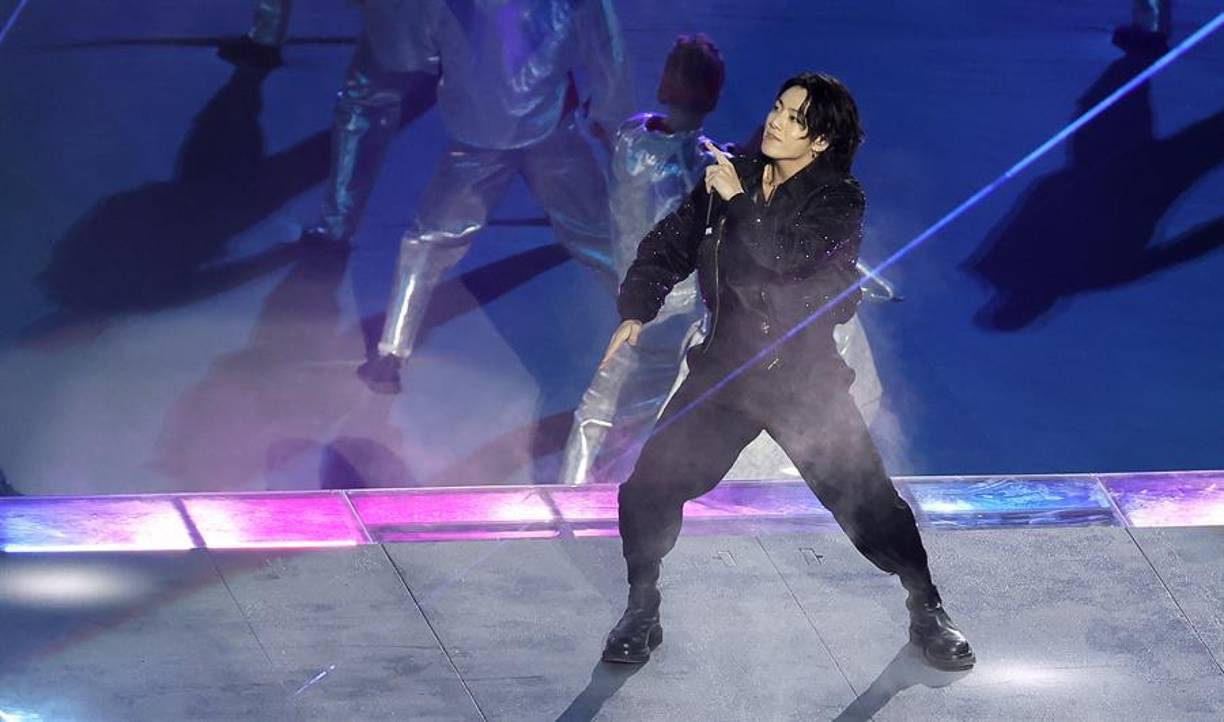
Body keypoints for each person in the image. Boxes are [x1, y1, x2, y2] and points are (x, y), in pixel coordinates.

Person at [599, 73, 974, 671]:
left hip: (802, 384)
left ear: (821, 141)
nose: (777, 121)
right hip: (724, 377)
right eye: (778, 107)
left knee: (870, 506)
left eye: (796, 118)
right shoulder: (736, 173)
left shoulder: (838, 200)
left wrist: (736, 203)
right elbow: (671, 242)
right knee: (649, 489)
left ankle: (926, 606)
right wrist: (637, 308)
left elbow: (786, 260)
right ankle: (641, 608)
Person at [357, 0, 634, 393]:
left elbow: (413, 47)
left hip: (479, 131)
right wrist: (611, 116)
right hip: (550, 127)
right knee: (596, 234)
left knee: (429, 239)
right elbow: (606, 46)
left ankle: (392, 351)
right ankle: (650, 318)